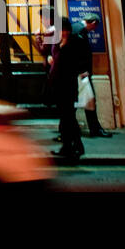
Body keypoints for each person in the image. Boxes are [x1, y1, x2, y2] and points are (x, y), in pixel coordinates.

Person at [49, 18, 85, 159]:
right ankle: (72, 146)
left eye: (62, 29)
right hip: (59, 85)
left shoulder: (73, 43)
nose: (61, 32)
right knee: (67, 118)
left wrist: (60, 53)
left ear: (68, 30)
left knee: (68, 118)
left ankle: (72, 146)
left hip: (67, 86)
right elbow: (55, 58)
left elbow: (71, 63)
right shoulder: (58, 43)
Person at [74, 14, 112, 137]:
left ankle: (68, 129)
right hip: (81, 74)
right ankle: (94, 129)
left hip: (78, 73)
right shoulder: (80, 31)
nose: (93, 30)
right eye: (94, 27)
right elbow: (78, 53)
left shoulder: (75, 28)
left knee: (80, 102)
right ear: (93, 22)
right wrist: (82, 70)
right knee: (89, 101)